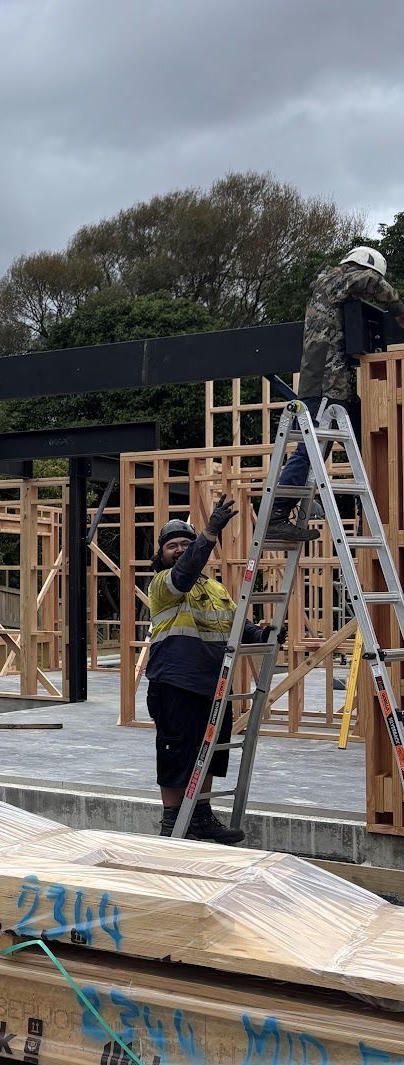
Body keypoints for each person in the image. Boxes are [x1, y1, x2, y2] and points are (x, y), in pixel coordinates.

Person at [146, 495, 282, 843]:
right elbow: (185, 571)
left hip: (214, 685)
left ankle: (201, 817)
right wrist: (207, 534)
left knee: (209, 754)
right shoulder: (163, 584)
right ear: (160, 555)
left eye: (184, 544)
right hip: (175, 683)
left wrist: (265, 634)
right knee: (176, 754)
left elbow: (238, 626)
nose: (178, 549)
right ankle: (172, 823)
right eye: (171, 545)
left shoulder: (217, 589)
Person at [267, 246, 404, 544]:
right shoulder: (335, 278)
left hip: (338, 389)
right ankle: (276, 515)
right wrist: (399, 312)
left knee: (363, 443)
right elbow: (372, 283)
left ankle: (364, 511)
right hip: (324, 386)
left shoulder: (336, 291)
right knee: (313, 450)